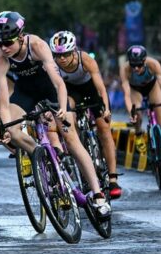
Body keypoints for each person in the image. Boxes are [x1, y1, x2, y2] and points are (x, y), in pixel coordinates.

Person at [0, 12, 111, 218]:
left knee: (71, 139)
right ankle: (42, 158)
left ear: (20, 36)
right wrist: (8, 127)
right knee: (15, 133)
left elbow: (59, 83)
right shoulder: (0, 58)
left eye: (8, 42)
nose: (4, 48)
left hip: (50, 90)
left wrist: (62, 109)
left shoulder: (37, 45)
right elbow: (4, 99)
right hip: (25, 92)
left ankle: (98, 196)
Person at [49, 31, 122, 199]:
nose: (62, 59)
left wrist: (106, 109)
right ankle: (77, 144)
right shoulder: (53, 65)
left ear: (73, 51)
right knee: (68, 115)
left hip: (91, 90)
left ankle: (112, 178)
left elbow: (101, 87)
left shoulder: (86, 59)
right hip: (71, 92)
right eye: (58, 55)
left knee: (104, 129)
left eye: (66, 54)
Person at [120, 45, 161, 179]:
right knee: (137, 112)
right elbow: (126, 94)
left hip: (153, 87)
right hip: (135, 90)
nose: (136, 68)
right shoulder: (125, 69)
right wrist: (131, 113)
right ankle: (139, 133)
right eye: (133, 65)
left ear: (145, 61)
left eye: (139, 65)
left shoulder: (154, 64)